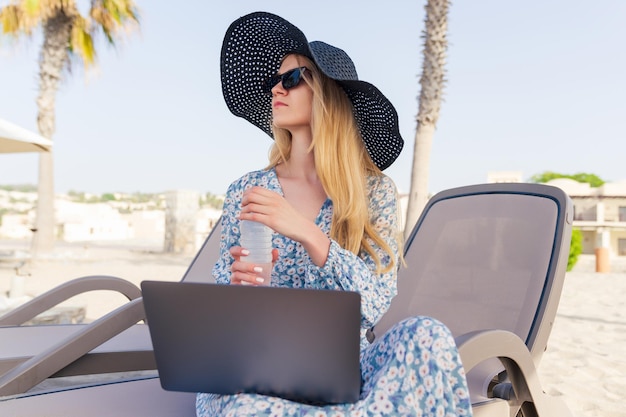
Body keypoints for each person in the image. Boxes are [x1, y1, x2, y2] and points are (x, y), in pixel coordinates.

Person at [196, 11, 473, 417]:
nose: (276, 88)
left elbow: (374, 304)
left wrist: (309, 233)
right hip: (257, 369)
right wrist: (243, 288)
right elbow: (223, 309)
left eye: (291, 78)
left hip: (343, 370)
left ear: (329, 94)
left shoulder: (373, 192)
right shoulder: (248, 190)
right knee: (242, 408)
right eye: (273, 80)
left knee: (427, 334)